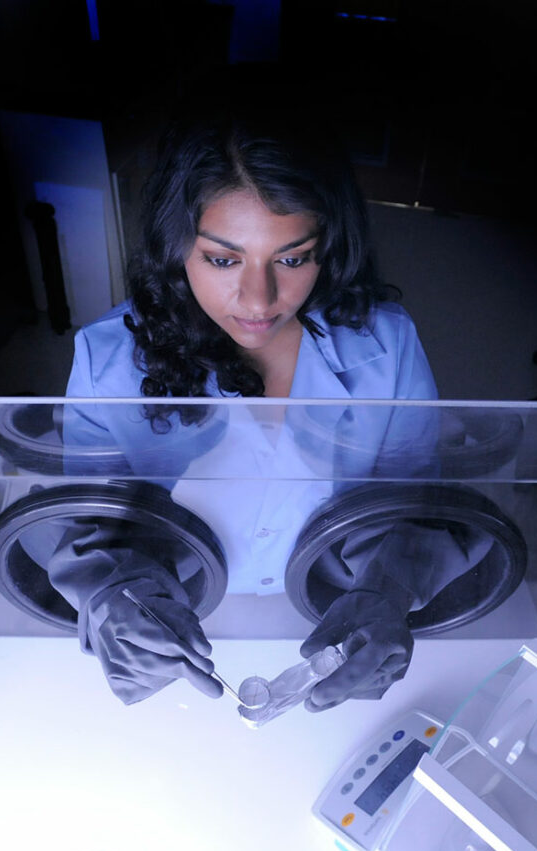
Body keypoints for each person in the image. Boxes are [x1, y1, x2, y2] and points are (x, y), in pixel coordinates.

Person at [53, 86, 445, 712]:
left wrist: (390, 592)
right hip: (178, 629)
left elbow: (417, 502)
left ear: (327, 248)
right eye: (222, 259)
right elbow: (89, 524)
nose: (258, 300)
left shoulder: (388, 349)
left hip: (331, 621)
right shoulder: (108, 364)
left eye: (291, 258)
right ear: (175, 244)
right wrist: (115, 601)